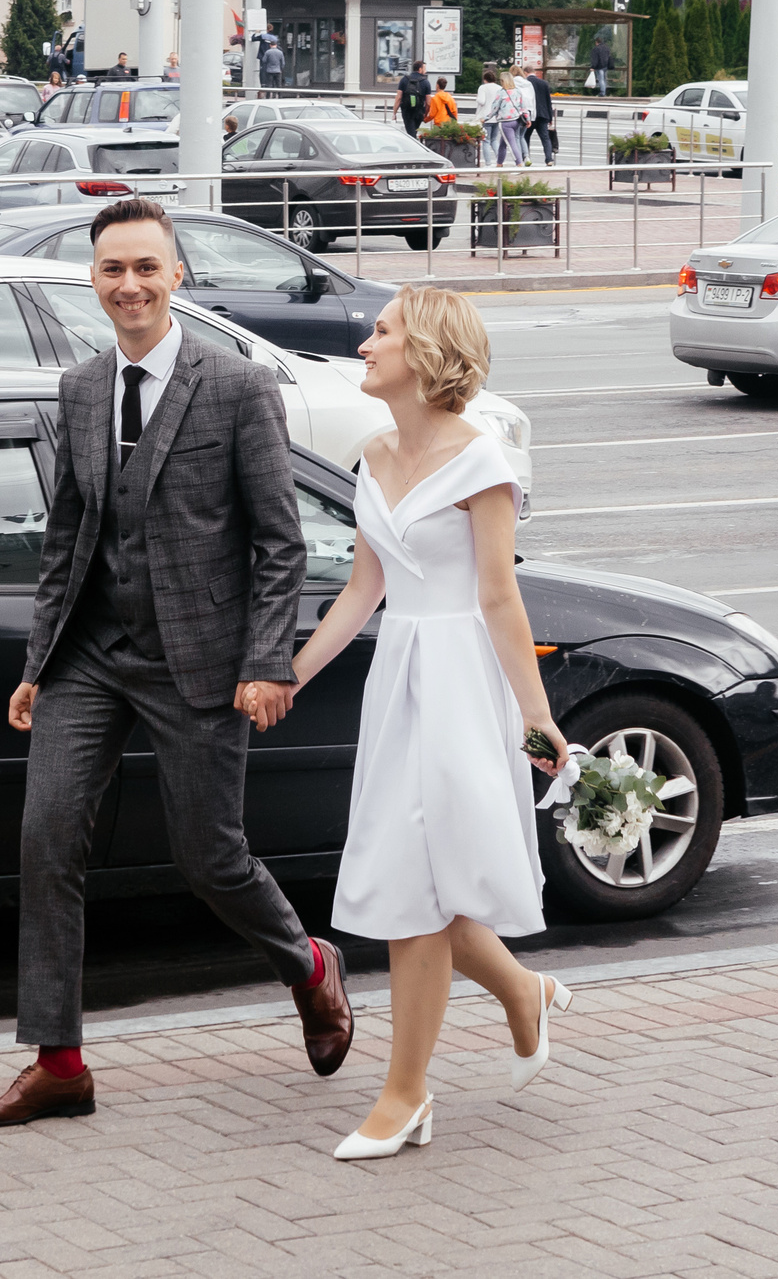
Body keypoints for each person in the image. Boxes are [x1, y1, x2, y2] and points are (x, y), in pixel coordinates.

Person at [0, 196, 354, 1129]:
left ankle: (309, 963)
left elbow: (280, 542)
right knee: (46, 839)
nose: (130, 284)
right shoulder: (80, 388)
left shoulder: (238, 385)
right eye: (113, 269)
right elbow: (67, 537)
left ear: (177, 274)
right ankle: (59, 1062)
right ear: (94, 282)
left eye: (146, 267)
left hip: (203, 657)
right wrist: (37, 661)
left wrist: (268, 660)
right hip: (91, 655)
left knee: (210, 857)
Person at [288, 286, 572, 1161]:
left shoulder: (483, 460)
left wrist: (535, 717)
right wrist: (288, 677)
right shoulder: (372, 454)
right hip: (401, 678)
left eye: (382, 332)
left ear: (426, 352)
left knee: (422, 889)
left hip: (463, 682)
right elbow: (363, 588)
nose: (365, 344)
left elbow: (499, 597)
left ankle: (405, 1093)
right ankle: (522, 994)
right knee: (418, 882)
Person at [473, 71, 509, 167]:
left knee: (486, 141)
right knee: (494, 140)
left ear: (485, 79)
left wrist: (477, 98)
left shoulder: (483, 87)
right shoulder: (499, 88)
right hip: (496, 117)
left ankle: (488, 163)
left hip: (485, 117)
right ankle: (500, 160)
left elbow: (481, 101)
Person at [502, 67, 535, 165]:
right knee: (522, 136)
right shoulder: (528, 83)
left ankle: (519, 160)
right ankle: (527, 157)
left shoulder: (512, 84)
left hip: (517, 112)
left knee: (516, 137)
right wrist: (532, 115)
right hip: (528, 111)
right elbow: (533, 99)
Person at [527, 68, 559, 164]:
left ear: (525, 72)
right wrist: (550, 117)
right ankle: (549, 159)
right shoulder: (544, 83)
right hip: (543, 115)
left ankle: (526, 158)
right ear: (534, 72)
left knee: (525, 137)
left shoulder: (526, 83)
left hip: (530, 115)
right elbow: (548, 101)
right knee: (545, 138)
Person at [397, 60, 432, 138]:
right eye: (424, 69)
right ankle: (413, 143)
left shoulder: (404, 79)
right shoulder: (426, 82)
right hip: (419, 111)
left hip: (407, 111)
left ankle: (412, 143)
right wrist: (425, 114)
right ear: (420, 69)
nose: (425, 71)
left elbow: (398, 97)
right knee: (413, 132)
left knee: (411, 133)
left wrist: (394, 112)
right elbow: (428, 102)